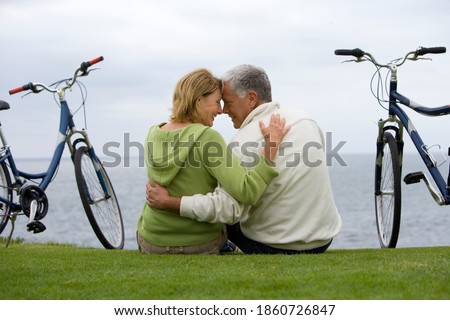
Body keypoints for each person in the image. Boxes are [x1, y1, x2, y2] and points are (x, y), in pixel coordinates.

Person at [146, 64, 342, 254]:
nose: (224, 110)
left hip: (274, 245)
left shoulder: (243, 140)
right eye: (219, 103)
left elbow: (228, 210)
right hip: (323, 239)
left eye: (227, 102)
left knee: (224, 216)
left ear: (251, 98)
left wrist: (171, 202)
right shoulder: (305, 120)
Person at [136, 68, 289, 254]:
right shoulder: (207, 138)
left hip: (151, 242)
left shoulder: (154, 133)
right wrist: (271, 146)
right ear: (198, 100)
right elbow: (248, 191)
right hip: (198, 243)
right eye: (217, 102)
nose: (220, 110)